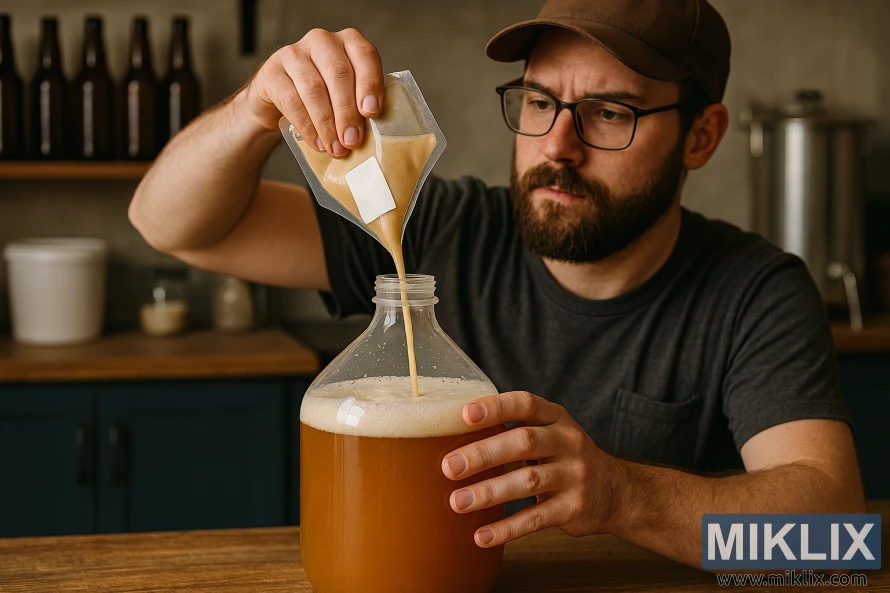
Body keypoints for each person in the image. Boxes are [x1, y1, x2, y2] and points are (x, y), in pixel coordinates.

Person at [128, 0, 864, 569]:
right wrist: (256, 108)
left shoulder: (754, 293)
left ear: (701, 135)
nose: (557, 146)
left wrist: (623, 494)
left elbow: (830, 541)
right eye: (540, 102)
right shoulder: (442, 227)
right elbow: (173, 224)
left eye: (610, 112)